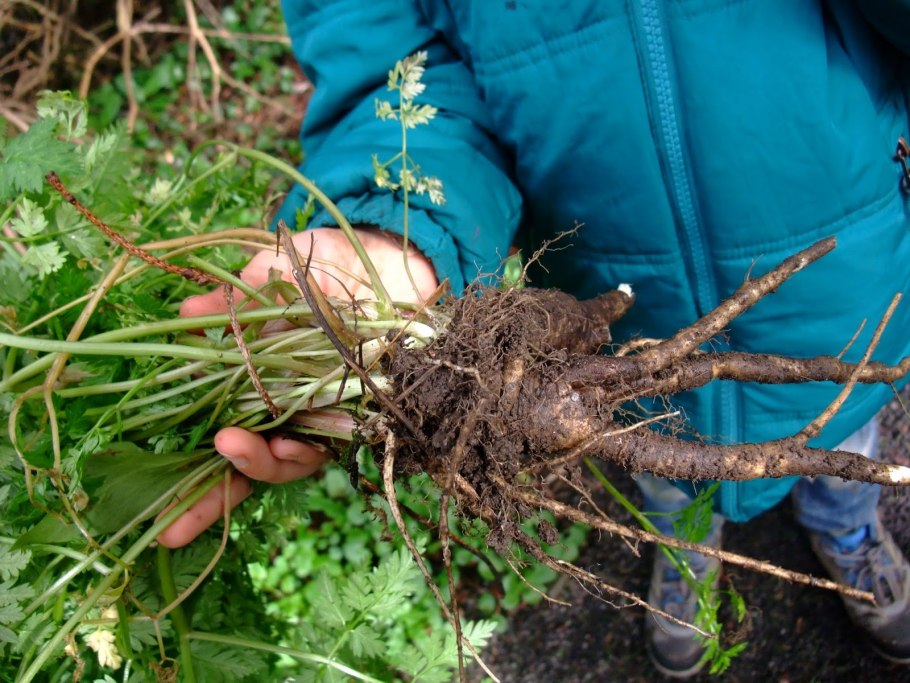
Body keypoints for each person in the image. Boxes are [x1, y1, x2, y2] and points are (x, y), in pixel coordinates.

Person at [159, 1, 910, 677]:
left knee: (846, 433)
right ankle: (686, 558)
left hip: (851, 266)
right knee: (657, 455)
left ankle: (849, 533)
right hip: (616, 301)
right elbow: (397, 62)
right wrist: (396, 227)